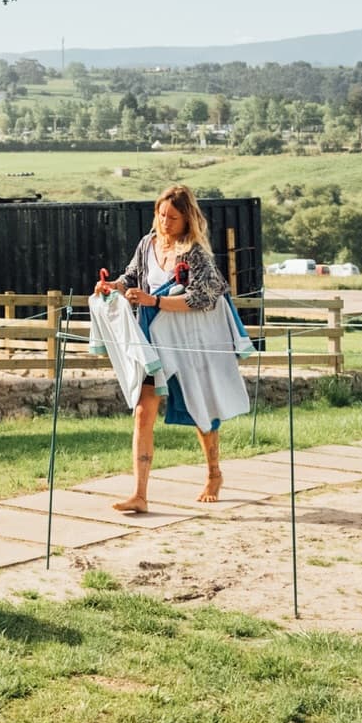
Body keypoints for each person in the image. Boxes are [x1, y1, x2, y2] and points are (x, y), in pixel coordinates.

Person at [96, 184, 249, 515]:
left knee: (200, 407)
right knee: (142, 412)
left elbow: (207, 296)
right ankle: (139, 494)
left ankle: (214, 474)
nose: (165, 222)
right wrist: (115, 287)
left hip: (190, 342)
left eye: (173, 217)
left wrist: (156, 301)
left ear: (187, 219)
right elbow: (133, 276)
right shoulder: (147, 244)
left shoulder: (194, 253)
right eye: (161, 214)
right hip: (153, 339)